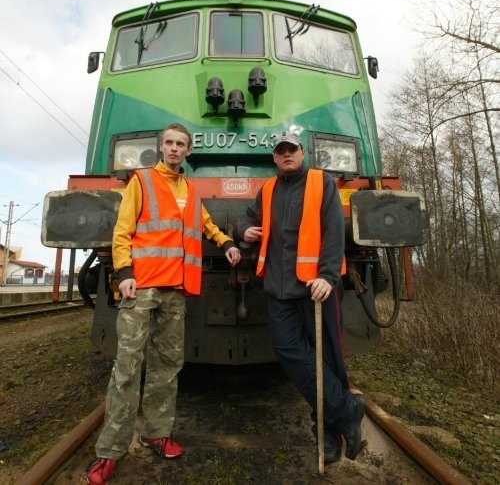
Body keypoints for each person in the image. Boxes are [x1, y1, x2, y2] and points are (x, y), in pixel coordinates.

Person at [86, 123, 241, 484]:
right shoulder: (141, 182)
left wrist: (226, 243)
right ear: (161, 147)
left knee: (167, 367)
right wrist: (124, 272)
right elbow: (122, 230)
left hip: (174, 289)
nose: (174, 149)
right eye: (169, 143)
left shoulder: (190, 188)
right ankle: (109, 452)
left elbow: (204, 225)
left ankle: (155, 433)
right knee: (127, 367)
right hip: (141, 288)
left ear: (188, 151)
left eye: (180, 144)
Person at [236, 131, 365, 464]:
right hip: (278, 291)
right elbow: (247, 219)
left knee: (329, 359)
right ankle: (345, 410)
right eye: (280, 151)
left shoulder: (322, 183)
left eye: (291, 149)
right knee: (291, 352)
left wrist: (327, 275)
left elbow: (335, 231)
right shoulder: (267, 190)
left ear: (301, 152)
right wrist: (243, 231)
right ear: (275, 158)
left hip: (315, 288)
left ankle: (329, 434)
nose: (286, 155)